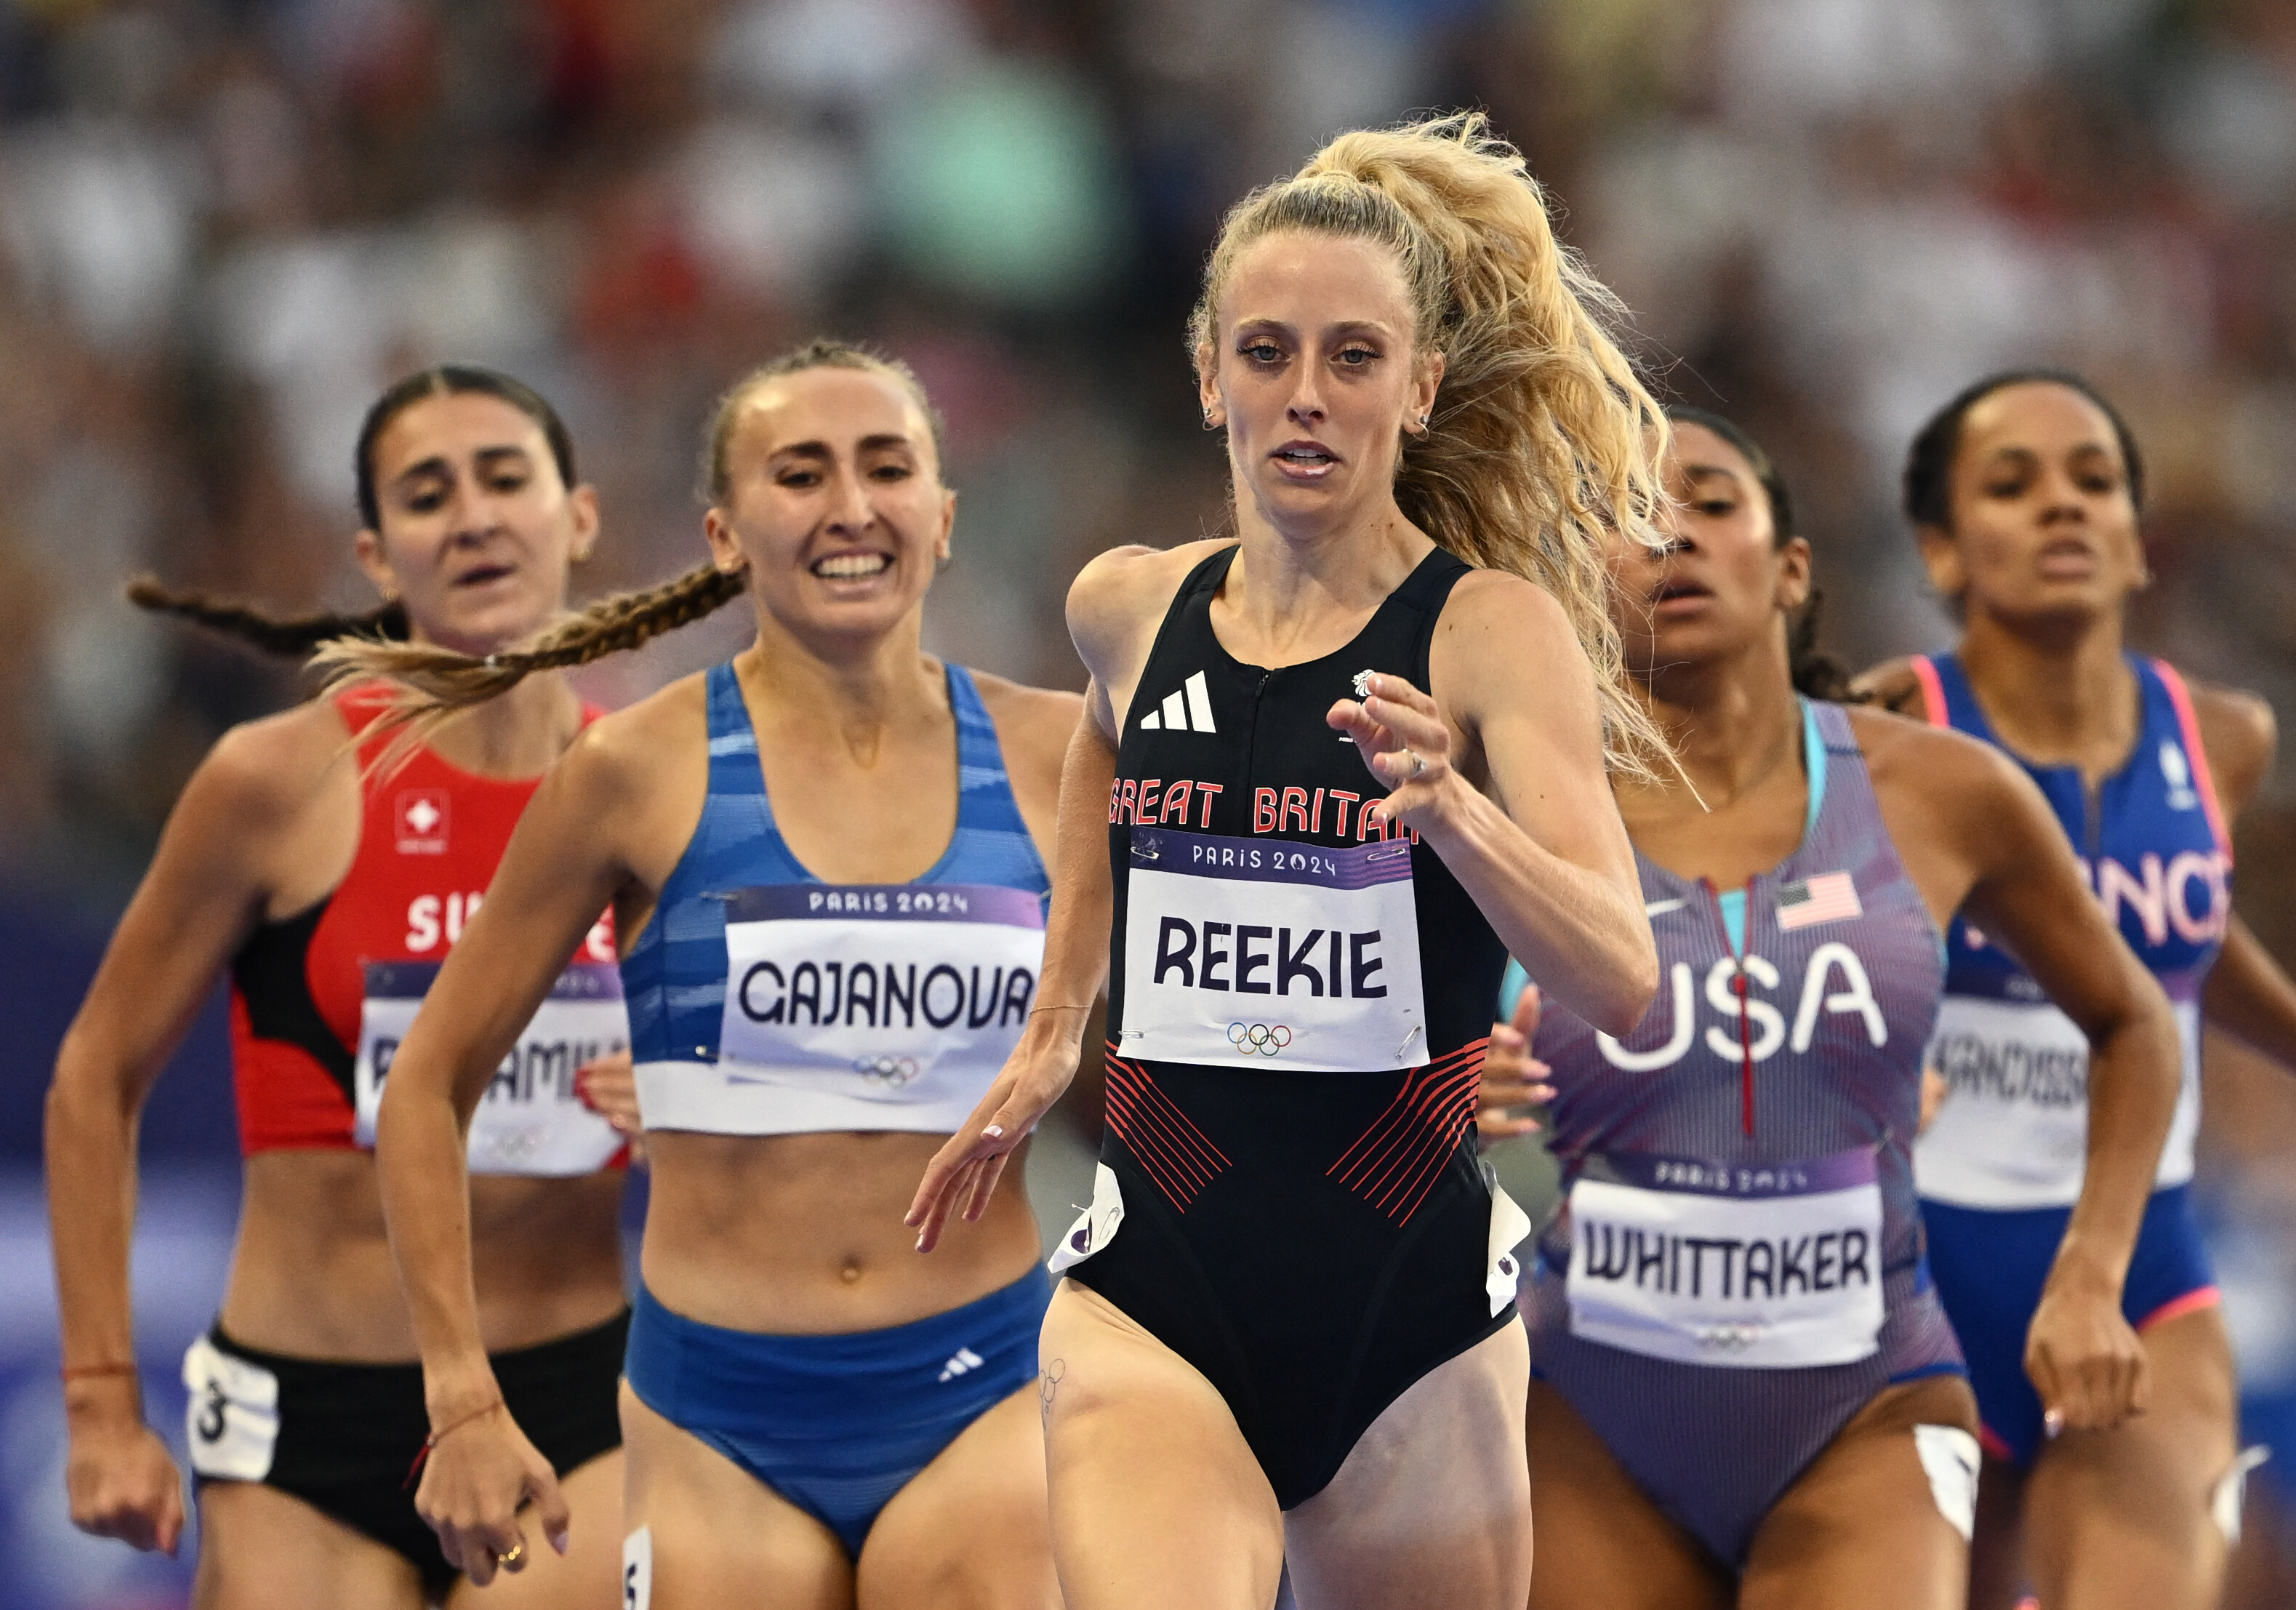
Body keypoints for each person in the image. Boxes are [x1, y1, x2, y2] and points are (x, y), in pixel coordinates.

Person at [907, 113, 1664, 1610]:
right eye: (1267, 353)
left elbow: (1624, 978)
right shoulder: (1127, 607)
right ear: (1210, 378)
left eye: (1353, 357)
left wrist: (1457, 816)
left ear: (1420, 386)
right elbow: (1101, 745)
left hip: (1412, 1330)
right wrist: (1057, 1023)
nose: (1307, 395)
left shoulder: (1487, 635)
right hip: (1155, 1300)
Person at [339, 339, 1075, 1609]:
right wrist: (460, 1396)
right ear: (725, 535)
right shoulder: (632, 771)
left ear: (945, 516)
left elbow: (1221, 1015)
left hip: (985, 1387)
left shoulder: (1062, 752)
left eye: (887, 467)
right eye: (801, 474)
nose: (851, 506)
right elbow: (428, 1082)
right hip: (716, 1418)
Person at [1477, 407, 2185, 1610]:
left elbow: (2136, 1022)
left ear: (1792, 568)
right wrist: (1440, 1082)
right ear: (1576, 587)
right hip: (1589, 1407)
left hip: (1868, 1404)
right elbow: (1352, 1046)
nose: (1671, 534)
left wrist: (2090, 1271)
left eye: (1711, 502)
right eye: (1625, 515)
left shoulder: (1941, 791)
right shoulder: (1505, 801)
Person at [1858, 369, 2296, 1609]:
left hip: (2142, 1264)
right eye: (2013, 484)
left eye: (2096, 482)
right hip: (1916, 1272)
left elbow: (2176, 946)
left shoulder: (2223, 738)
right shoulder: (1888, 726)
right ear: (1942, 548)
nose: (2063, 506)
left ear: (2139, 540)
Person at [45, 366, 637, 1607]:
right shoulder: (275, 783)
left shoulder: (649, 789)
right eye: (428, 494)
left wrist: (690, 1093)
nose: (472, 517)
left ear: (579, 517)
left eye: (505, 479)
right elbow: (96, 1075)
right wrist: (101, 1402)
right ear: (376, 554)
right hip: (308, 1422)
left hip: (570, 1398)